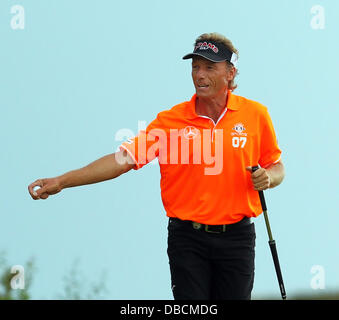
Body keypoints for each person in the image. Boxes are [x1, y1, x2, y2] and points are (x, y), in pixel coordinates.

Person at [28, 32, 285, 300]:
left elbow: (276, 166)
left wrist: (268, 177)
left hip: (237, 238)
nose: (200, 74)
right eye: (195, 67)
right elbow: (123, 160)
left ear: (230, 73)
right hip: (188, 239)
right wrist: (62, 181)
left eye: (210, 67)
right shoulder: (170, 121)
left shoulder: (255, 115)